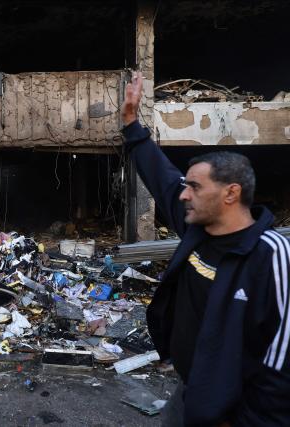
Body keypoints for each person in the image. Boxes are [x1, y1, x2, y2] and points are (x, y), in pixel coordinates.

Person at [121, 72, 290, 426]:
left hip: (236, 409)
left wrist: (250, 419)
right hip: (191, 389)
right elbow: (162, 177)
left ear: (231, 193)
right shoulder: (198, 229)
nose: (183, 194)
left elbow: (282, 355)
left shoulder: (270, 255)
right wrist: (132, 125)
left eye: (195, 187)